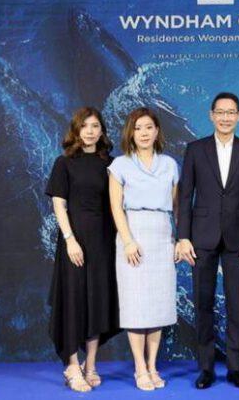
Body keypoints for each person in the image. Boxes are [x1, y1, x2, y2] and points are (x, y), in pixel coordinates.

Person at [176, 92, 239, 389]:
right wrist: (183, 236)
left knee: (236, 305)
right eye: (221, 112)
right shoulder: (195, 149)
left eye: (231, 112)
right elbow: (185, 196)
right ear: (211, 115)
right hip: (201, 238)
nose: (226, 117)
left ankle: (236, 368)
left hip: (238, 240)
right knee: (203, 304)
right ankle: (206, 368)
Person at [45, 106, 121, 393]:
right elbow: (59, 204)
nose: (90, 131)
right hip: (75, 242)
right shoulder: (64, 163)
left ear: (102, 131)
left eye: (95, 126)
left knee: (97, 302)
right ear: (76, 130)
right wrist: (70, 239)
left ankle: (90, 365)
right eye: (85, 126)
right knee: (74, 301)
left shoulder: (112, 164)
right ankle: (72, 366)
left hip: (104, 242)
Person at [108, 107, 180, 391]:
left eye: (149, 127)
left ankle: (152, 365)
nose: (144, 133)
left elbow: (177, 207)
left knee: (158, 304)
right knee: (136, 304)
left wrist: (178, 239)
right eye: (138, 128)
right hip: (133, 233)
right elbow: (116, 207)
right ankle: (140, 367)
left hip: (162, 234)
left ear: (157, 131)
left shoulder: (170, 165)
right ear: (131, 133)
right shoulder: (120, 165)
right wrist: (128, 240)